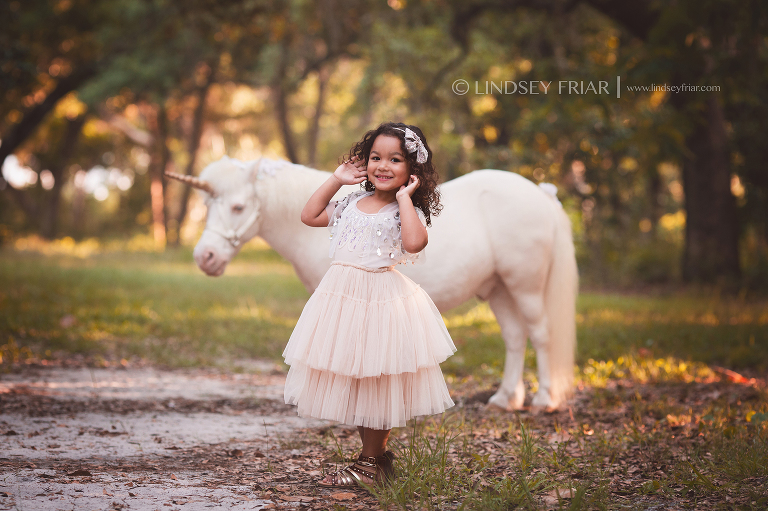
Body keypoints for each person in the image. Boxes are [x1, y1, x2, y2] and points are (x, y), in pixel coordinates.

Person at [282, 122, 456, 488]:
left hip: (380, 302)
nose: (383, 165)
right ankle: (373, 461)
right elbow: (309, 215)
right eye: (376, 157)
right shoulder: (350, 202)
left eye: (395, 159)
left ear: (413, 170)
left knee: (377, 382)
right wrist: (336, 178)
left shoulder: (403, 210)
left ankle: (370, 461)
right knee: (359, 378)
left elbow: (413, 243)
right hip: (343, 300)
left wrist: (407, 199)